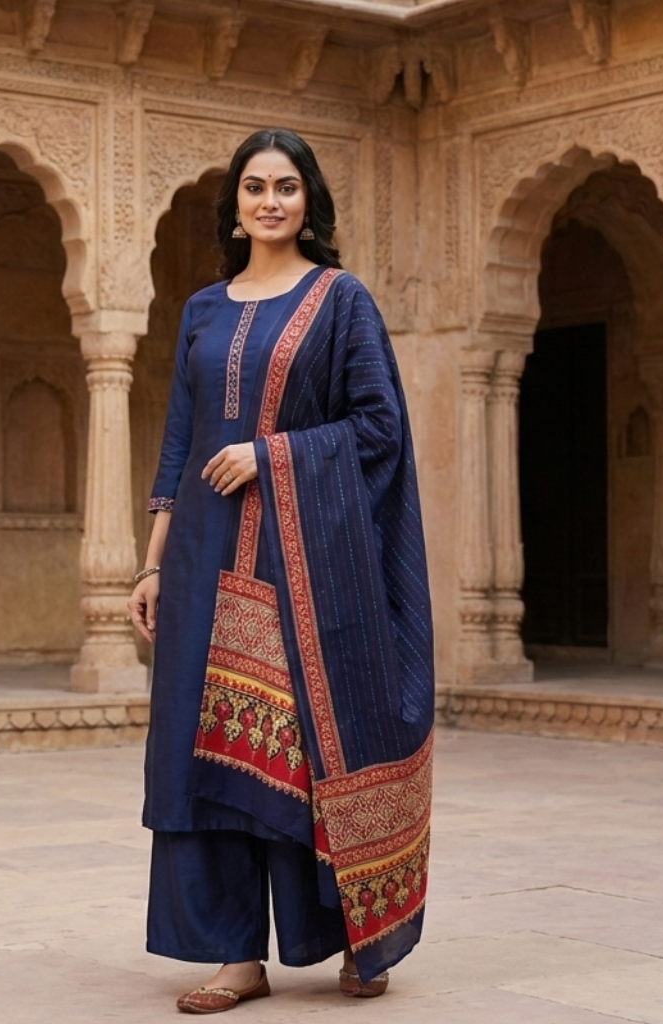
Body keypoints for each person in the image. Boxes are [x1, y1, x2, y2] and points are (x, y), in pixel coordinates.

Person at [128, 128, 434, 1015]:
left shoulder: (341, 301)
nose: (270, 201)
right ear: (234, 205)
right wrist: (151, 568)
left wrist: (274, 456)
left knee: (303, 747)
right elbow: (181, 443)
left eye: (287, 187)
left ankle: (359, 933)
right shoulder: (202, 309)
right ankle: (235, 955)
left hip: (305, 565)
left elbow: (380, 430)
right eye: (256, 187)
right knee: (207, 749)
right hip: (204, 558)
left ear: (309, 202)